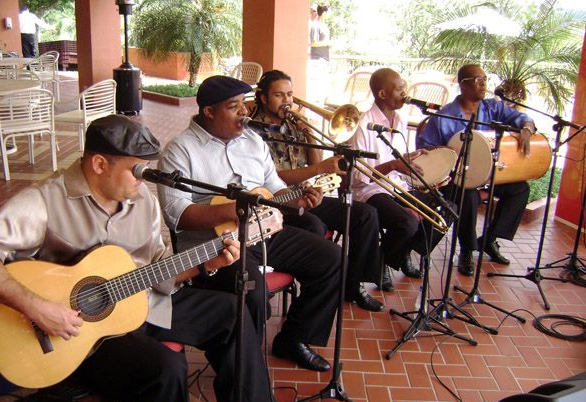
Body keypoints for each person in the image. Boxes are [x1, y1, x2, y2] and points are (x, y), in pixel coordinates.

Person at [0, 115, 300, 402]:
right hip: (75, 335)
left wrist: (204, 265)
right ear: (99, 163)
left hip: (143, 302)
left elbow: (158, 269)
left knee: (231, 312)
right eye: (137, 171)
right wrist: (37, 306)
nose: (143, 179)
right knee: (164, 368)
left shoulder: (142, 201)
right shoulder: (45, 201)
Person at [157, 75, 341, 373]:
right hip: (217, 246)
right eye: (234, 106)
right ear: (209, 112)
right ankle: (246, 369)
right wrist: (234, 209)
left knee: (332, 258)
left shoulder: (253, 141)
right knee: (251, 291)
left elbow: (275, 189)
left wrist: (299, 198)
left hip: (263, 231)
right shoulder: (180, 150)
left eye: (244, 104)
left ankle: (294, 339)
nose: (244, 112)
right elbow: (177, 215)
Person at [250, 69, 384, 312]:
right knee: (315, 227)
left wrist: (309, 132)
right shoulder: (254, 131)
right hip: (279, 201)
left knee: (365, 215)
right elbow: (273, 178)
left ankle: (353, 284)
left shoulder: (293, 124)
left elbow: (315, 164)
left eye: (290, 94)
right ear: (264, 98)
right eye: (279, 95)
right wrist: (318, 168)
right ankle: (313, 289)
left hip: (307, 194)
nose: (287, 101)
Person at [416, 64, 535, 276]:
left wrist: (526, 128)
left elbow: (520, 118)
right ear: (463, 85)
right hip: (457, 177)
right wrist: (444, 154)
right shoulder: (445, 116)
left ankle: (489, 240)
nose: (483, 84)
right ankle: (467, 250)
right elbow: (425, 150)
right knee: (468, 196)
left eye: (485, 79)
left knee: (519, 189)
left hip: (488, 174)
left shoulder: (492, 108)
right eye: (477, 80)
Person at [349, 68, 425, 292]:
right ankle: (383, 260)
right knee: (407, 222)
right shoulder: (363, 125)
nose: (405, 93)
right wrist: (392, 165)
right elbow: (359, 176)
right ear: (382, 94)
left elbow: (399, 161)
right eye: (400, 89)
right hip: (371, 191)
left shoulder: (399, 119)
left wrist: (416, 164)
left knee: (443, 207)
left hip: (396, 185)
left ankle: (400, 253)